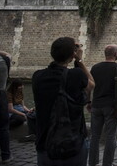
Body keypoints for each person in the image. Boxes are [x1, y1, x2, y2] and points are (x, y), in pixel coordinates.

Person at [32, 37, 95, 166]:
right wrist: (80, 60)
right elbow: (91, 85)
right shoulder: (76, 75)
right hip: (73, 141)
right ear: (72, 55)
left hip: (45, 141)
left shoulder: (37, 76)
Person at [88, 44, 117, 166]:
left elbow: (89, 87)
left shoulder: (95, 67)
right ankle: (107, 163)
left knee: (94, 136)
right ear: (115, 54)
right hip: (111, 107)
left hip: (96, 105)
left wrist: (88, 102)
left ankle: (92, 162)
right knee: (111, 136)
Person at [0, 46, 11, 163]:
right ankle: (6, 156)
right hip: (1, 95)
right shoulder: (4, 61)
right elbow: (8, 55)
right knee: (3, 128)